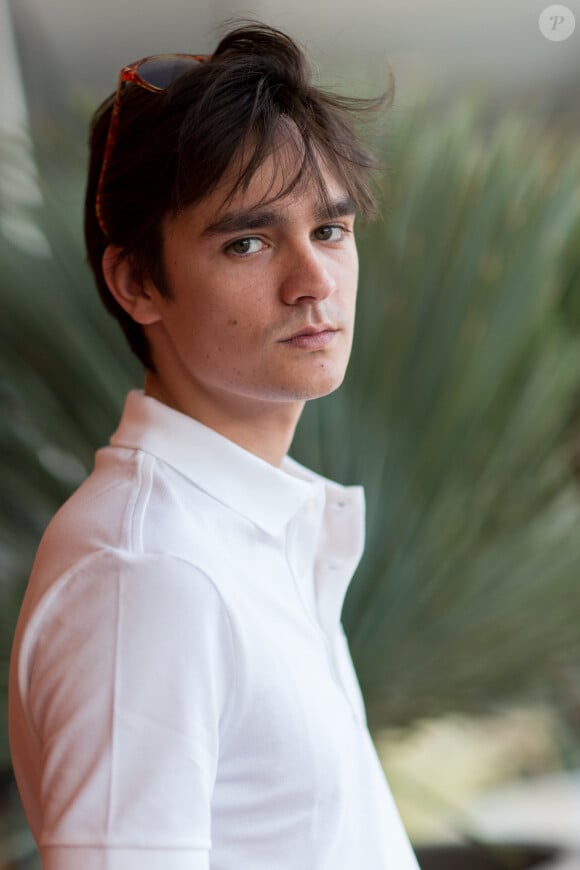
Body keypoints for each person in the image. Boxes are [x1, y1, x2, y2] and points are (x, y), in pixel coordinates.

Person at [9, 21, 420, 870]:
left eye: (332, 231)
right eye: (249, 241)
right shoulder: (149, 571)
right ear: (137, 283)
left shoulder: (251, 528)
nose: (313, 281)